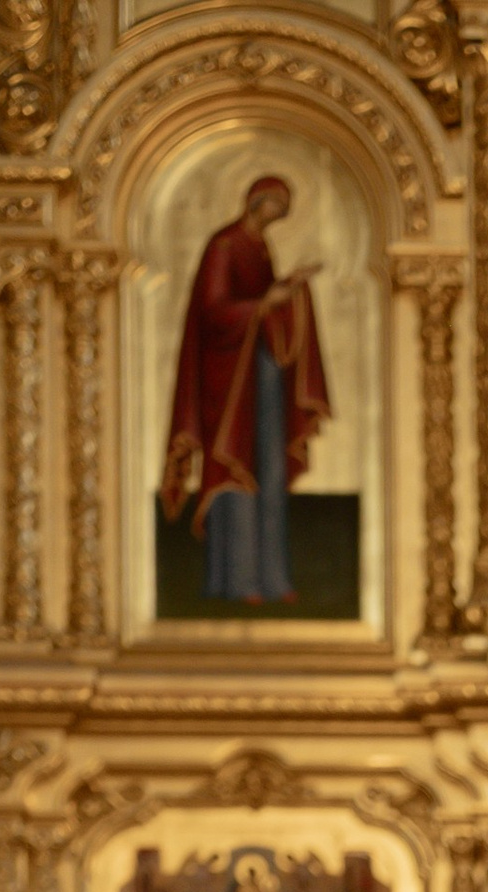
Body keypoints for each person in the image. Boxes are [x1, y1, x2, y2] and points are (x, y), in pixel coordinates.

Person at [160, 176, 331, 608]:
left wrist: (287, 292)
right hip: (229, 382)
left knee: (269, 472)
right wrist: (264, 304)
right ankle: (236, 580)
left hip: (261, 373)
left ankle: (272, 578)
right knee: (235, 469)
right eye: (279, 204)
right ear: (259, 201)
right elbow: (213, 311)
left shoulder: (258, 247)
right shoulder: (224, 245)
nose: (282, 214)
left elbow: (261, 303)